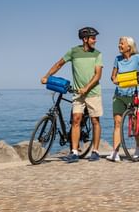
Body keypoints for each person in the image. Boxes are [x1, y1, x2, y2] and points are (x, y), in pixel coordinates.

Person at [41, 27, 103, 163]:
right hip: (77, 93)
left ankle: (95, 151)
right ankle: (74, 152)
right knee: (76, 119)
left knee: (95, 121)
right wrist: (46, 76)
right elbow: (59, 64)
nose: (95, 40)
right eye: (93, 38)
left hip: (93, 93)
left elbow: (98, 75)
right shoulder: (73, 51)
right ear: (85, 39)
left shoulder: (98, 54)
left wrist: (86, 88)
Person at [106, 36, 139, 162]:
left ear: (129, 46)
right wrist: (115, 80)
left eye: (121, 44)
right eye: (119, 43)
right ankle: (115, 152)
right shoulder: (117, 59)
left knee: (135, 123)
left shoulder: (137, 58)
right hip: (119, 95)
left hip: (133, 94)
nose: (119, 45)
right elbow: (112, 76)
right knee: (117, 123)